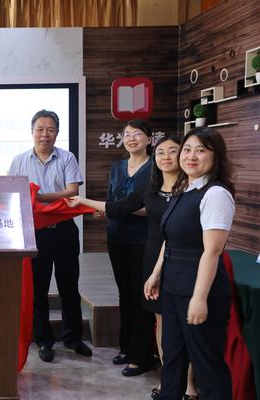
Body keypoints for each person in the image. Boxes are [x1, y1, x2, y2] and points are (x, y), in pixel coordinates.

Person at [68, 136, 199, 398]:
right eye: (161, 152)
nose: (166, 156)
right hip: (153, 256)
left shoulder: (193, 189)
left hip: (184, 259)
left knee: (186, 323)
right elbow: (118, 207)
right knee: (162, 320)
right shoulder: (150, 189)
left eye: (173, 151)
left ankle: (189, 385)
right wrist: (82, 201)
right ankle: (168, 380)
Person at [145, 127, 235, 400]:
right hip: (173, 286)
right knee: (172, 357)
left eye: (201, 150)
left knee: (207, 364)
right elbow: (170, 239)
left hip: (199, 289)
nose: (191, 156)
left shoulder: (215, 194)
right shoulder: (184, 189)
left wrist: (199, 298)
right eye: (187, 149)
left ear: (216, 156)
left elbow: (212, 252)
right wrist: (156, 274)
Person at [8, 109, 91, 362]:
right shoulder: (19, 160)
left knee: (69, 286)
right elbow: (12, 193)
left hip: (65, 231)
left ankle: (73, 337)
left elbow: (72, 190)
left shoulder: (67, 157)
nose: (45, 134)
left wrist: (40, 197)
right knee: (38, 289)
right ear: (32, 132)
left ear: (57, 132)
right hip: (34, 234)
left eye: (50, 129)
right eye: (40, 129)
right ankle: (43, 340)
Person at [104, 119, 156, 376]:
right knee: (124, 293)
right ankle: (126, 348)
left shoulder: (156, 166)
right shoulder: (117, 167)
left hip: (142, 239)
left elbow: (154, 207)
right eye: (127, 134)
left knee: (140, 295)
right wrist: (110, 210)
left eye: (137, 133)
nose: (131, 138)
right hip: (116, 237)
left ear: (149, 139)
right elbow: (110, 201)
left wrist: (120, 210)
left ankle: (141, 356)